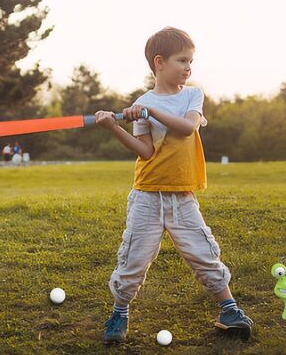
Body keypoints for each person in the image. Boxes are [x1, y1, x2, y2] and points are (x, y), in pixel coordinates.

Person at [95, 27, 254, 345]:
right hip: (147, 197)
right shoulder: (142, 102)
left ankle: (229, 309)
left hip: (182, 195)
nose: (188, 67)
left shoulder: (192, 96)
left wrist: (151, 112)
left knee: (204, 253)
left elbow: (186, 128)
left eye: (191, 61)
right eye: (182, 60)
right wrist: (113, 126)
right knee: (133, 260)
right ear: (159, 62)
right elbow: (145, 151)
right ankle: (119, 313)